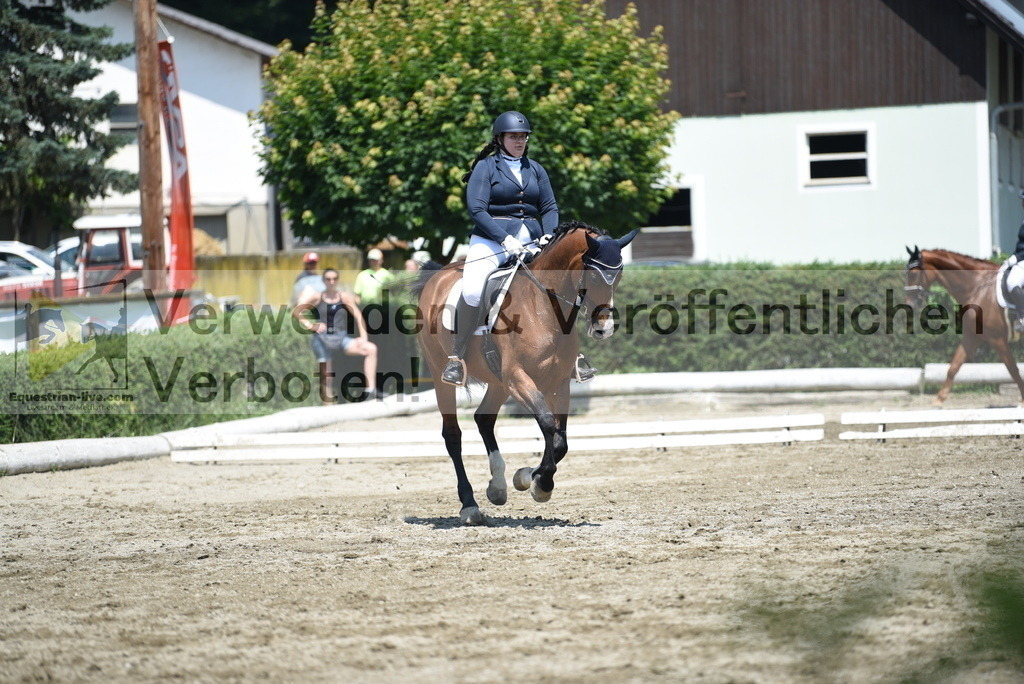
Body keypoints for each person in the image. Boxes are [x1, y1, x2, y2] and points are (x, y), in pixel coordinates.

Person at [441, 110, 595, 386]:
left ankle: (571, 356)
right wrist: (503, 239)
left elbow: (549, 207)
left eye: (523, 137)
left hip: (533, 242)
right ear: (500, 139)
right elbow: (477, 209)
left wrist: (550, 236)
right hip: (491, 241)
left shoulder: (535, 168)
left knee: (559, 287)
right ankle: (457, 357)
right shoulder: (486, 168)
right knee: (474, 289)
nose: (520, 141)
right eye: (514, 136)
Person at [293, 268, 379, 403]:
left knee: (370, 348)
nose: (331, 282)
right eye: (328, 279)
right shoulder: (317, 296)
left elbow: (358, 315)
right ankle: (328, 406)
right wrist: (311, 325)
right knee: (327, 375)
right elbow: (297, 312)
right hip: (322, 339)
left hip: (340, 337)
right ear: (323, 281)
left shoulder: (343, 296)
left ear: (337, 280)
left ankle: (370, 392)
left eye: (334, 279)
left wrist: (363, 337)